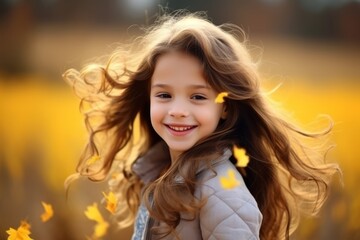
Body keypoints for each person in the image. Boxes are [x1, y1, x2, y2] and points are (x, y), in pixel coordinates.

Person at [63, 12, 340, 240]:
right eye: (164, 95)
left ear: (226, 106)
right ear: (147, 98)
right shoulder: (163, 174)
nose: (178, 111)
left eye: (198, 96)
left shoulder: (223, 193)